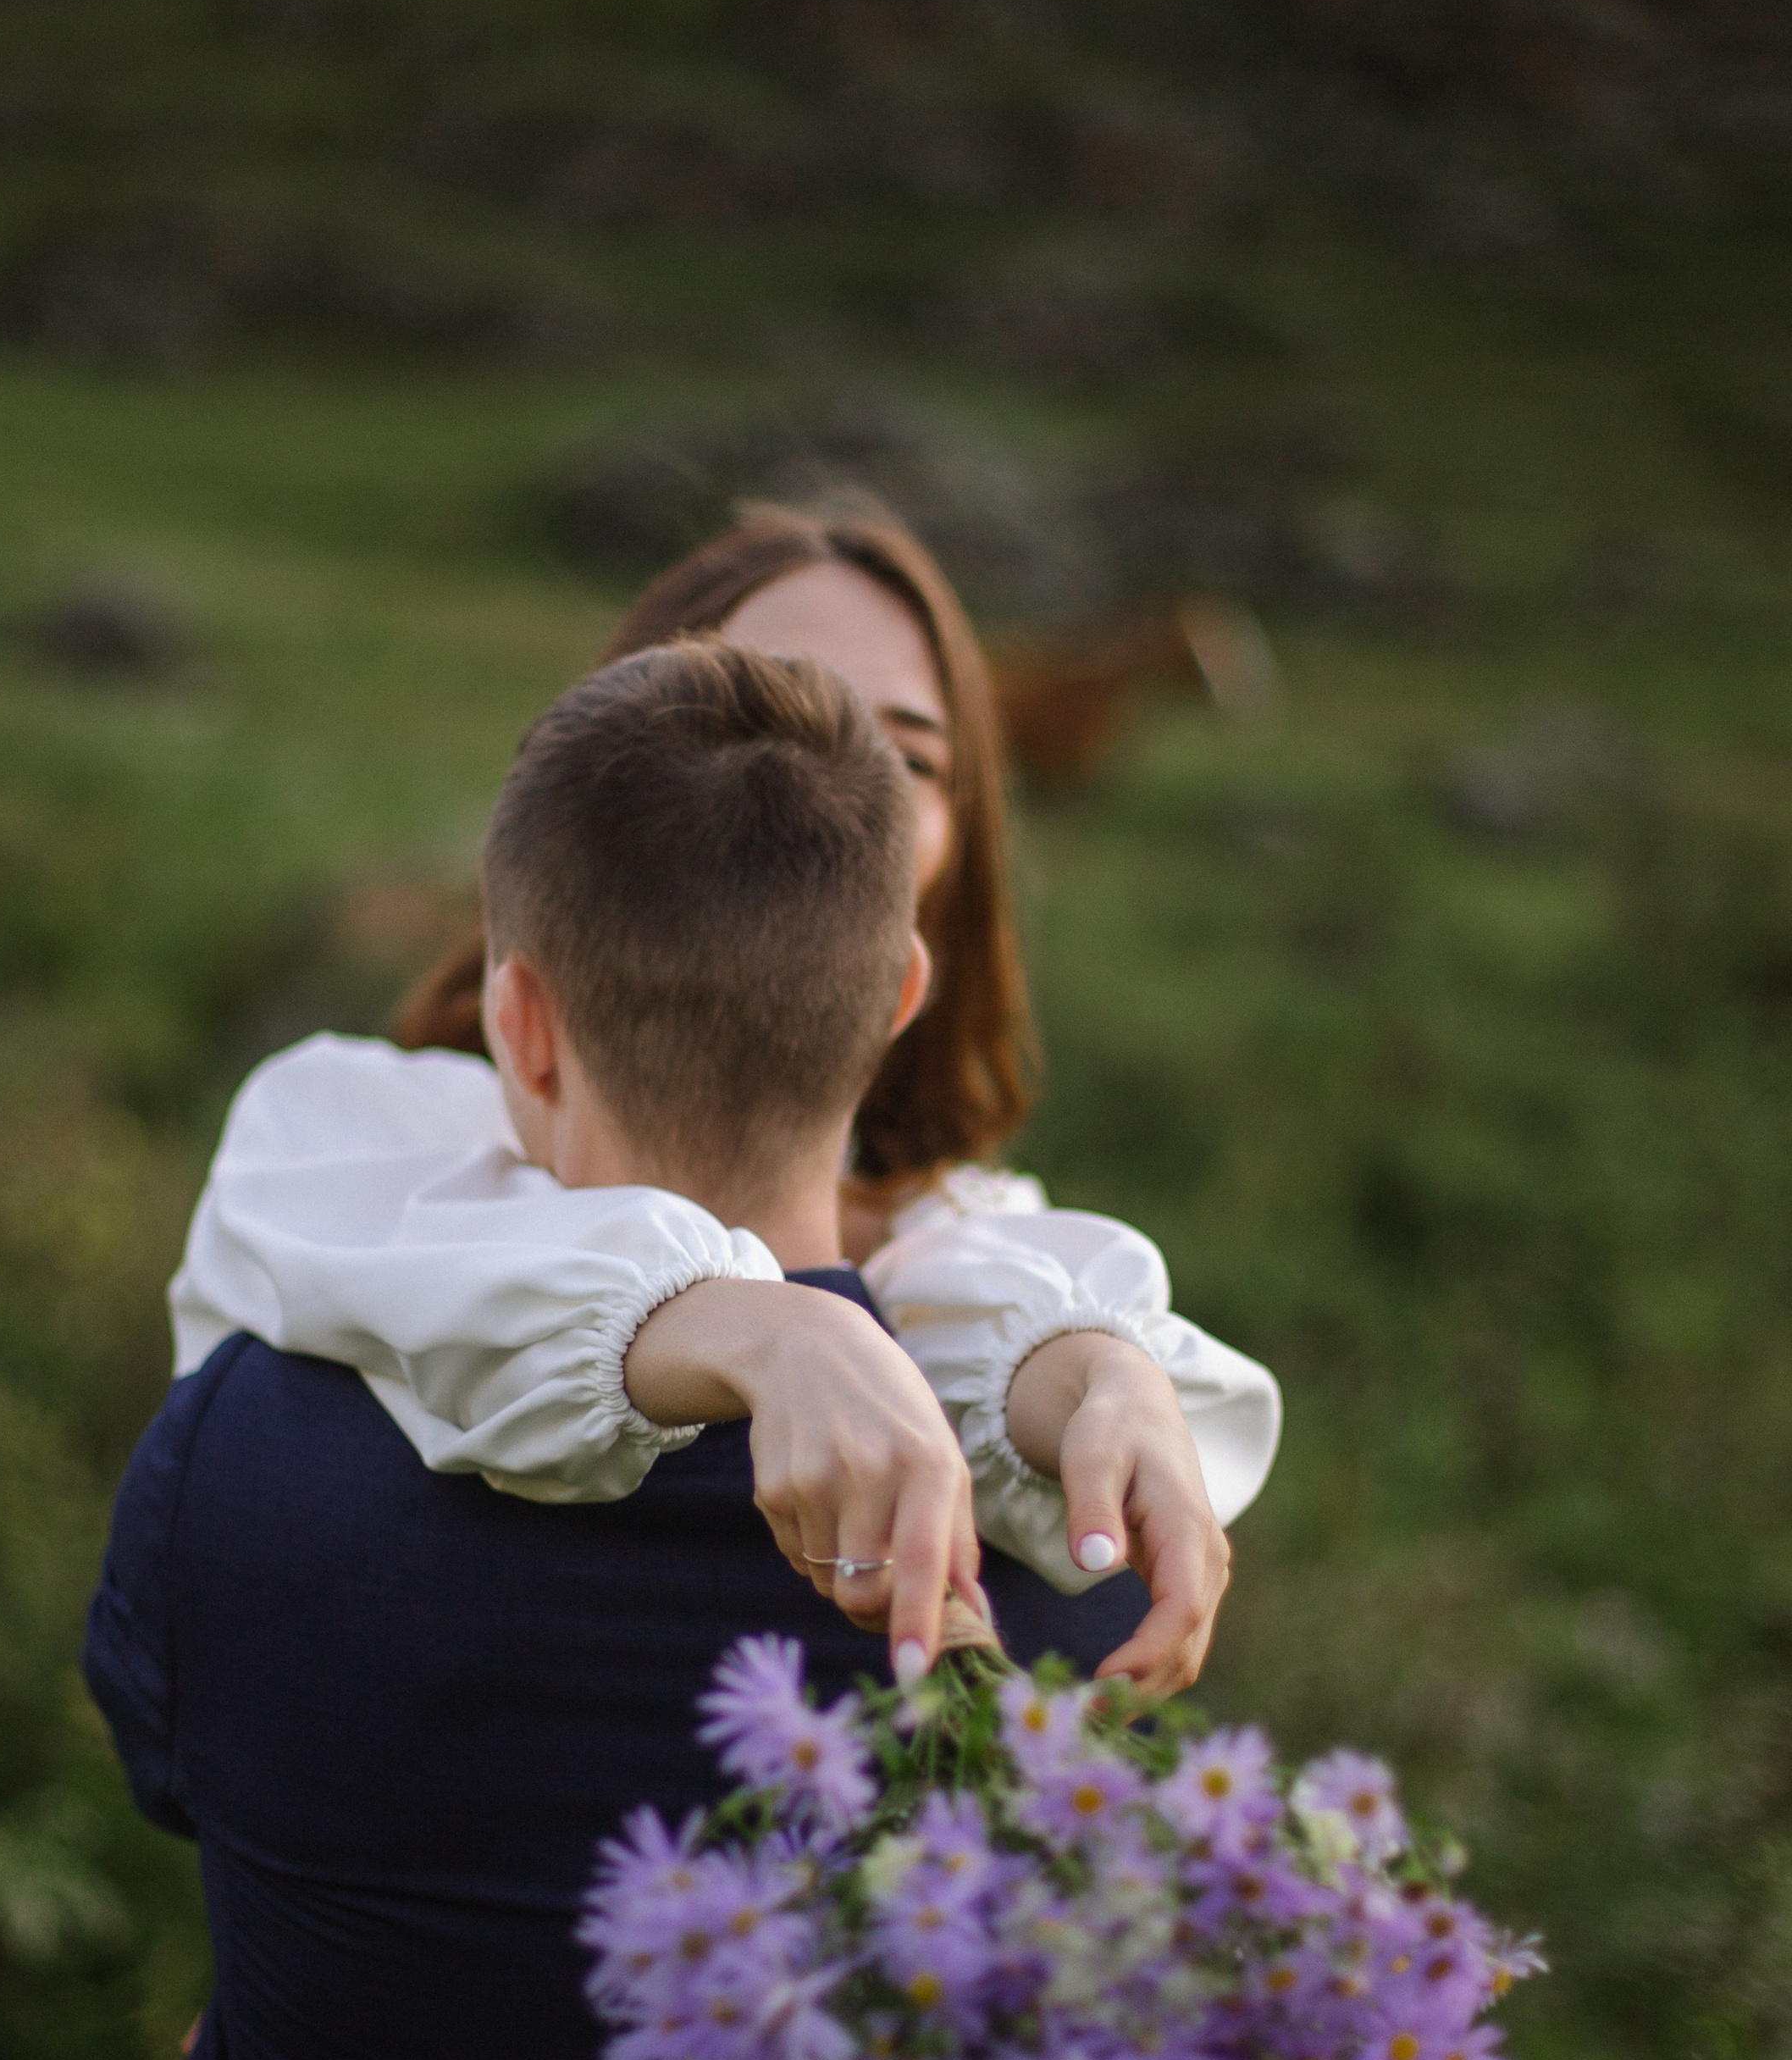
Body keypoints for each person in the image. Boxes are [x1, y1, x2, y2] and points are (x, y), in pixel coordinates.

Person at [0, 645, 1218, 2060]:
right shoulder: (1072, 1562)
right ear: (902, 994)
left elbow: (169, 1765)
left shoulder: (239, 1460)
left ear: (517, 1022)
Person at [171, 501, 1278, 1697]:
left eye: (907, 757)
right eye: (755, 714)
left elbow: (967, 1283)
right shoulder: (372, 1148)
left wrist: (1089, 1371)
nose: (822, 791)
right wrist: (766, 1328)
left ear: (959, 859)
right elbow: (371, 1247)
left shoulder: (978, 1243)